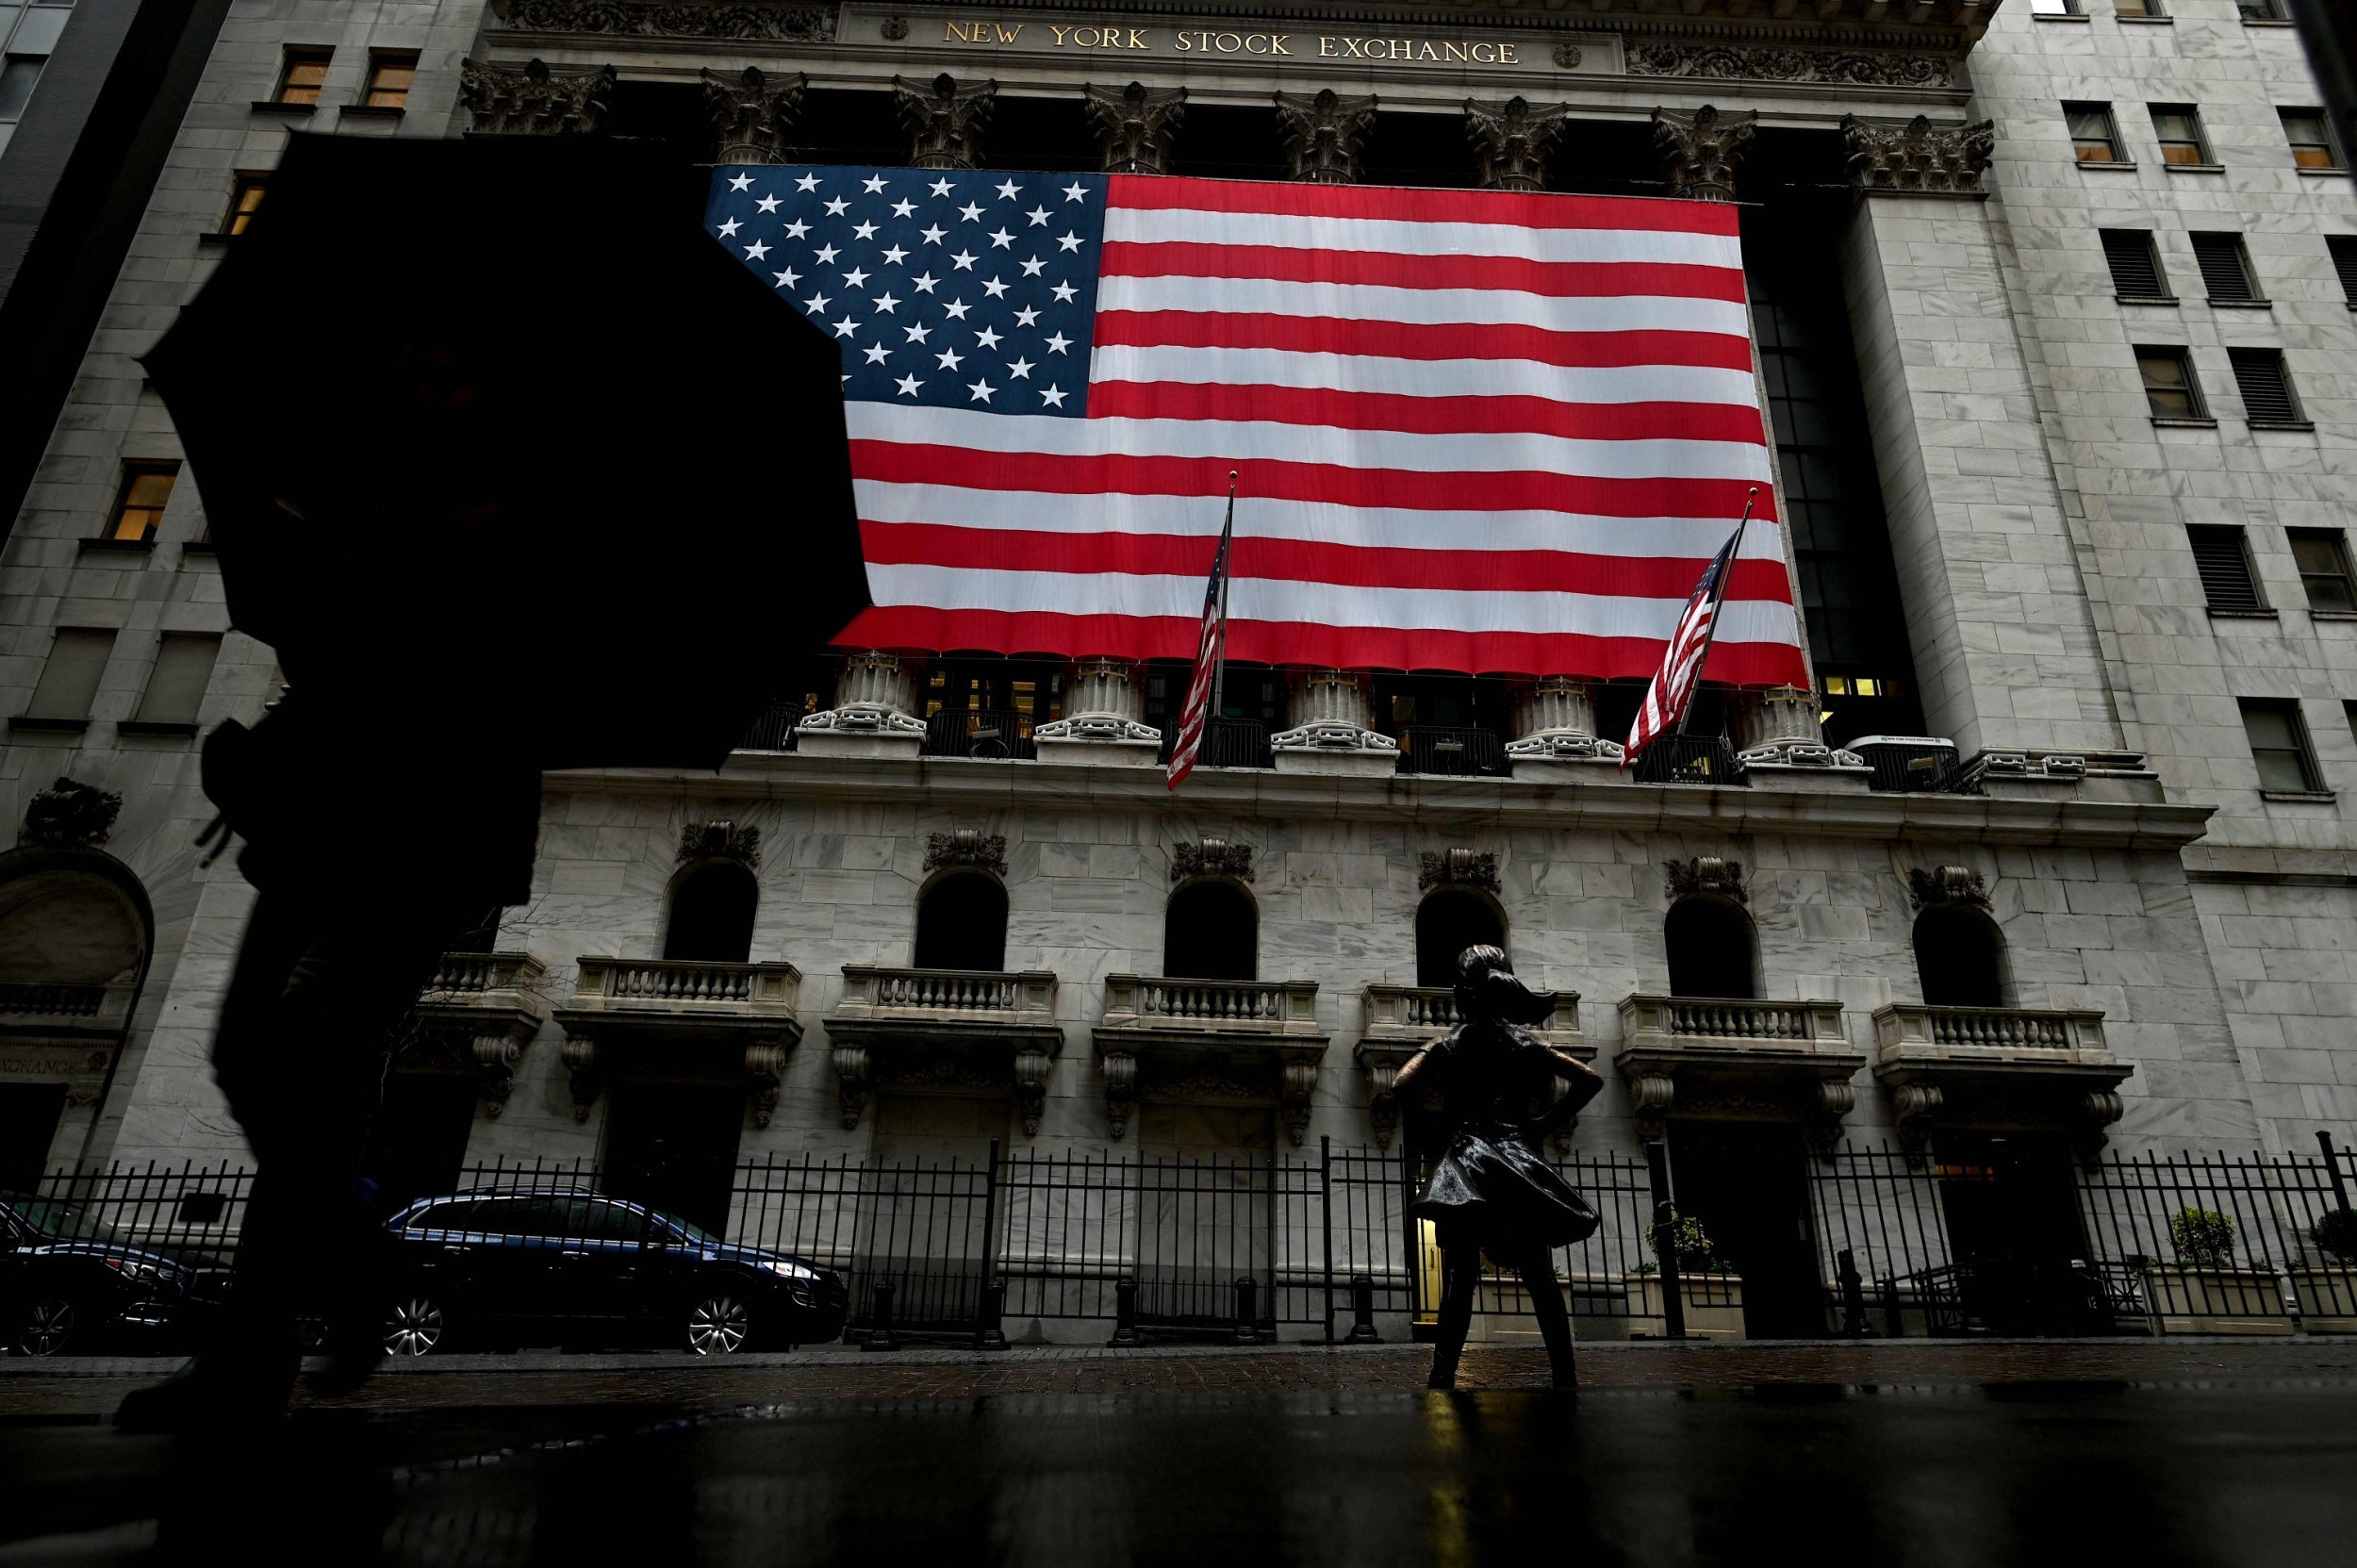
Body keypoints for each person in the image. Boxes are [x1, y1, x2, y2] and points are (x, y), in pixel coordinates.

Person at [116, 687, 541, 1428]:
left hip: (414, 840)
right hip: (309, 831)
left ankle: (252, 1348)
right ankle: (352, 1255)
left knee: (319, 1048)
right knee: (242, 1051)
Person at [1393, 945, 1604, 1391]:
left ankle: (1442, 1374)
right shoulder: (1524, 1043)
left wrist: (1441, 1125)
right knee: (1540, 1276)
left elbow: (1401, 1085)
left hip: (1468, 1163)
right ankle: (1565, 1375)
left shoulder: (1448, 1045)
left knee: (1458, 1280)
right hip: (1515, 1160)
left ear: (1460, 992)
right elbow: (1590, 1080)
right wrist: (1545, 1124)